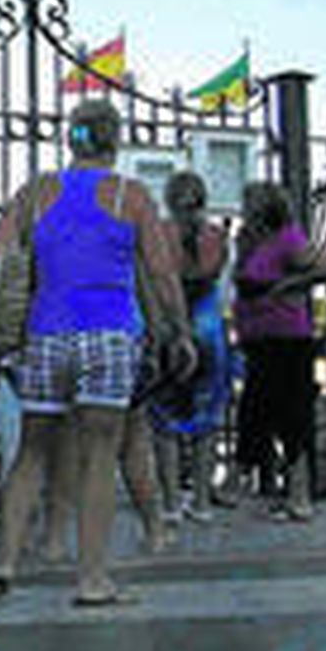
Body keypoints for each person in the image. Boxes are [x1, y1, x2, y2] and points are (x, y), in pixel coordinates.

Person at [0, 100, 194, 606]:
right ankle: (92, 579)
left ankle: (6, 560)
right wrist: (180, 331)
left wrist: (11, 286)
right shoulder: (132, 195)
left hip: (45, 333)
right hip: (109, 336)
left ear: (70, 139)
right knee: (100, 457)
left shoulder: (36, 191)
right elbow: (162, 272)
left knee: (31, 451)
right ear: (114, 140)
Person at [232, 181, 326, 522]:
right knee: (255, 411)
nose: (244, 208)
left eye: (250, 203)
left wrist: (290, 285)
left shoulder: (288, 238)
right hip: (258, 338)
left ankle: (298, 493)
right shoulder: (250, 241)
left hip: (287, 339)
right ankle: (253, 482)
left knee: (290, 414)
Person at [144, 170, 232, 524]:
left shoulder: (158, 235)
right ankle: (201, 502)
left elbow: (152, 283)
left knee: (164, 421)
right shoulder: (220, 237)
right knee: (207, 421)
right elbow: (223, 288)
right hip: (209, 329)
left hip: (169, 327)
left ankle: (169, 503)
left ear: (167, 199)